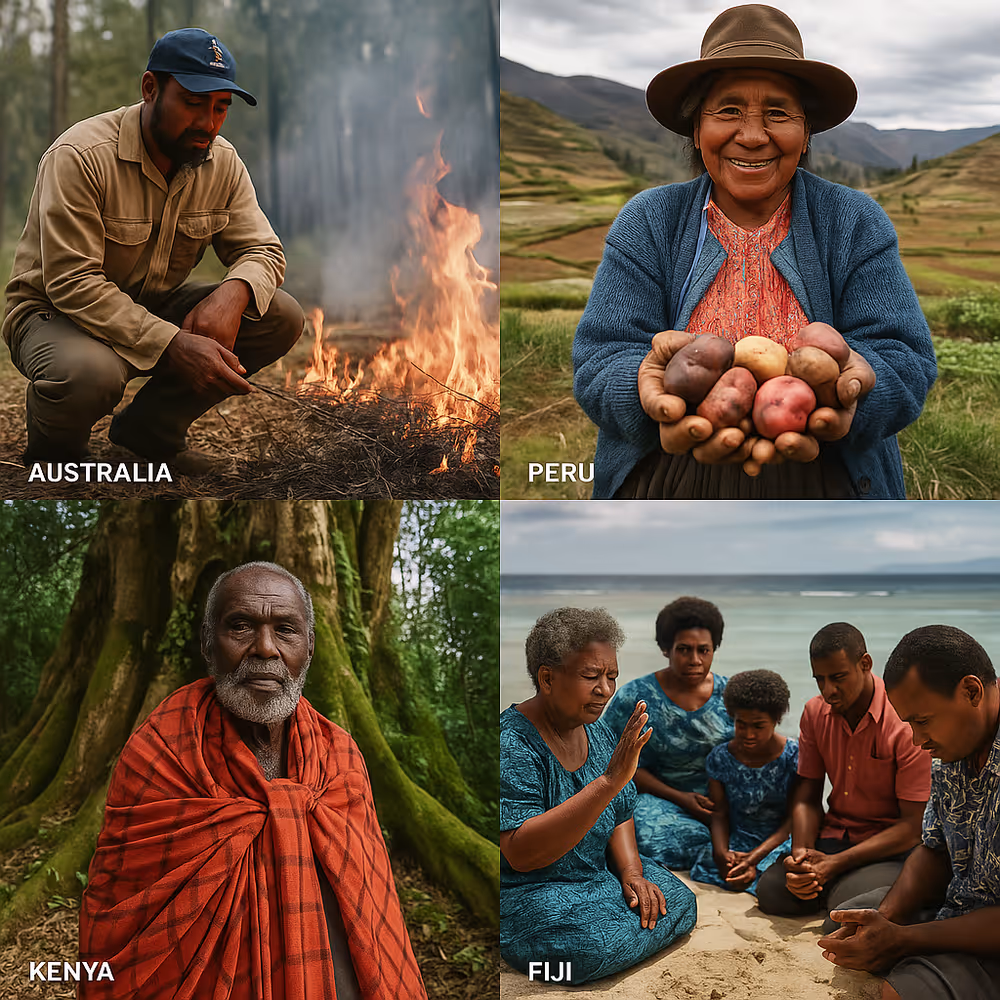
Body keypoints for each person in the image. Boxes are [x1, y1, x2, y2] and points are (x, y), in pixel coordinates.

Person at [572, 4, 936, 499]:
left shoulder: (853, 220)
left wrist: (854, 395)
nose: (751, 135)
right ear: (695, 129)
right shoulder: (650, 220)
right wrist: (647, 397)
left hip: (827, 476)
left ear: (806, 132)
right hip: (669, 472)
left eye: (779, 113)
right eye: (728, 111)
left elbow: (905, 358)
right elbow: (600, 357)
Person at [79, 561, 426, 999]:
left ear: (310, 648)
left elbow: (374, 912)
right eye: (240, 627)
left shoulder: (340, 758)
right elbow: (120, 917)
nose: (265, 649)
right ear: (208, 645)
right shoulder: (161, 752)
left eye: (285, 630)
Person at [3, 28, 305, 473]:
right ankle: (56, 455)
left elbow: (263, 249)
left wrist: (234, 291)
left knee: (279, 315)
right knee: (92, 373)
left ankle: (150, 432)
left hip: (148, 303)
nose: (208, 122)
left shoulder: (221, 162)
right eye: (193, 102)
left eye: (221, 107)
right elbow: (73, 284)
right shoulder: (81, 155)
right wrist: (173, 343)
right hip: (54, 313)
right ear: (150, 89)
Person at [500, 608, 697, 985]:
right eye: (591, 676)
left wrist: (633, 873)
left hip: (598, 875)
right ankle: (551, 961)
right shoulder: (513, 744)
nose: (605, 690)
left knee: (681, 901)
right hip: (533, 892)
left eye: (611, 677)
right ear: (547, 678)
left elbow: (621, 812)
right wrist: (607, 781)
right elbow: (521, 854)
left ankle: (602, 940)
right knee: (582, 954)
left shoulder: (601, 733)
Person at [819, 625, 1000, 1000]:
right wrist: (886, 919)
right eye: (908, 724)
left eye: (923, 721)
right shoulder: (953, 747)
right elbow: (934, 849)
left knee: (901, 992)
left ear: (971, 691)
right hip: (960, 906)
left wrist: (904, 939)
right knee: (848, 926)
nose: (917, 741)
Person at [756, 622, 931, 927]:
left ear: (865, 664)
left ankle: (850, 887)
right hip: (835, 837)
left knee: (841, 905)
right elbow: (808, 796)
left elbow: (913, 826)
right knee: (771, 891)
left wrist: (834, 865)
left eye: (837, 678)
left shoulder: (903, 722)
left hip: (888, 847)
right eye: (819, 680)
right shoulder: (814, 712)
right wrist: (803, 854)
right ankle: (839, 884)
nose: (827, 691)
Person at [602, 596, 733, 868]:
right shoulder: (636, 697)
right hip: (662, 800)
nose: (695, 660)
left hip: (724, 802)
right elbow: (614, 763)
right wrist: (681, 798)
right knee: (653, 836)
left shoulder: (732, 695)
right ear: (665, 649)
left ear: (714, 649)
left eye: (704, 650)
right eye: (684, 649)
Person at [690, 669, 798, 896]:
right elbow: (720, 813)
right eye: (741, 725)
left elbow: (793, 821)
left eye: (758, 726)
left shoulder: (794, 756)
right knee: (712, 861)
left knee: (783, 871)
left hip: (779, 841)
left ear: (776, 720)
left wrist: (754, 858)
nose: (749, 734)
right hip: (740, 839)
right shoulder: (720, 758)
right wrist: (722, 853)